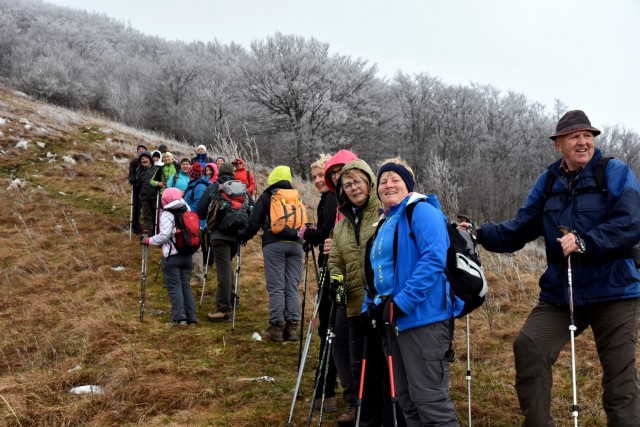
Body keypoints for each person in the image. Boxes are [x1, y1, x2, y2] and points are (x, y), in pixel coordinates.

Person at [461, 110, 640, 426]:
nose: (583, 142)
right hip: (562, 291)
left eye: (588, 135)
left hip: (615, 289)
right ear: (559, 144)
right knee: (529, 346)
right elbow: (520, 227)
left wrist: (586, 241)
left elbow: (631, 221)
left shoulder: (614, 172)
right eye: (574, 136)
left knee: (620, 377)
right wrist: (478, 232)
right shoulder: (547, 182)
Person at [365, 158, 459, 426]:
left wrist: (402, 302)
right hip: (392, 323)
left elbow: (434, 258)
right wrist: (370, 305)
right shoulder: (384, 222)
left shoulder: (421, 211)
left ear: (408, 185)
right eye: (383, 181)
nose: (388, 184)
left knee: (431, 402)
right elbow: (378, 272)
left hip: (423, 320)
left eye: (395, 179)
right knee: (407, 401)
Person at [329, 159, 401, 427]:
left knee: (385, 365)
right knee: (361, 365)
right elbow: (335, 259)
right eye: (347, 185)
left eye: (358, 181)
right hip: (354, 305)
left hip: (380, 304)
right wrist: (336, 280)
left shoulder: (383, 213)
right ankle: (367, 416)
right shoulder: (341, 225)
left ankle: (389, 417)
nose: (353, 188)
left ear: (370, 183)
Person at [236, 166, 304, 342]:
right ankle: (292, 328)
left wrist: (242, 236)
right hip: (296, 245)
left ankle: (275, 328)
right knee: (291, 286)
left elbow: (254, 222)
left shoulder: (268, 196)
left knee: (276, 286)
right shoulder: (295, 197)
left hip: (274, 244)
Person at [322, 149, 359, 424]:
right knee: (338, 340)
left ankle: (361, 403)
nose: (338, 177)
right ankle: (353, 401)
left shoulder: (365, 203)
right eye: (333, 173)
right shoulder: (338, 207)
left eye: (342, 171)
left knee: (353, 343)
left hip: (362, 285)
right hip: (341, 283)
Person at [300, 153, 339, 412]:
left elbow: (325, 233)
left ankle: (325, 388)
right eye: (313, 176)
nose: (317, 180)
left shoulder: (330, 198)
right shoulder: (334, 197)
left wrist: (307, 233)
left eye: (320, 175)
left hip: (333, 268)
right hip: (334, 265)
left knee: (328, 328)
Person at [196, 162, 248, 322]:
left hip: (219, 235)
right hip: (237, 234)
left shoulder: (215, 187)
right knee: (228, 267)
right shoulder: (241, 189)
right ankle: (233, 299)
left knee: (223, 271)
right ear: (233, 173)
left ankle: (223, 309)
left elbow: (200, 211)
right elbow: (251, 207)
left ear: (219, 173)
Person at [140, 188, 197, 327]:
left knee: (174, 287)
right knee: (186, 287)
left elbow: (164, 235)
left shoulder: (167, 213)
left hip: (172, 256)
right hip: (187, 254)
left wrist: (149, 240)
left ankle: (179, 319)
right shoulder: (186, 209)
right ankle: (192, 319)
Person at [183, 162, 211, 287]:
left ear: (192, 174)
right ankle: (192, 273)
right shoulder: (194, 185)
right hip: (192, 220)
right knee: (191, 247)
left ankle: (199, 277)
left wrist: (186, 209)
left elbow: (199, 204)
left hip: (195, 221)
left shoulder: (199, 186)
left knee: (196, 248)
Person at [135, 151, 159, 235]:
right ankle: (148, 235)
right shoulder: (139, 171)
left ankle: (158, 234)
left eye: (146, 158)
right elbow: (137, 184)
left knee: (156, 216)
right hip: (144, 197)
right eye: (142, 159)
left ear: (150, 159)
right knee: (146, 216)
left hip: (155, 196)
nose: (144, 160)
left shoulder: (156, 169)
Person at [128, 144, 147, 234]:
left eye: (143, 149)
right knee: (136, 206)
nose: (141, 150)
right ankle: (135, 227)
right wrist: (132, 178)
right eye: (139, 149)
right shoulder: (134, 161)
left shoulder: (148, 161)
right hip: (136, 186)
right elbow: (131, 172)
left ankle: (147, 226)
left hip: (146, 186)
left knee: (146, 206)